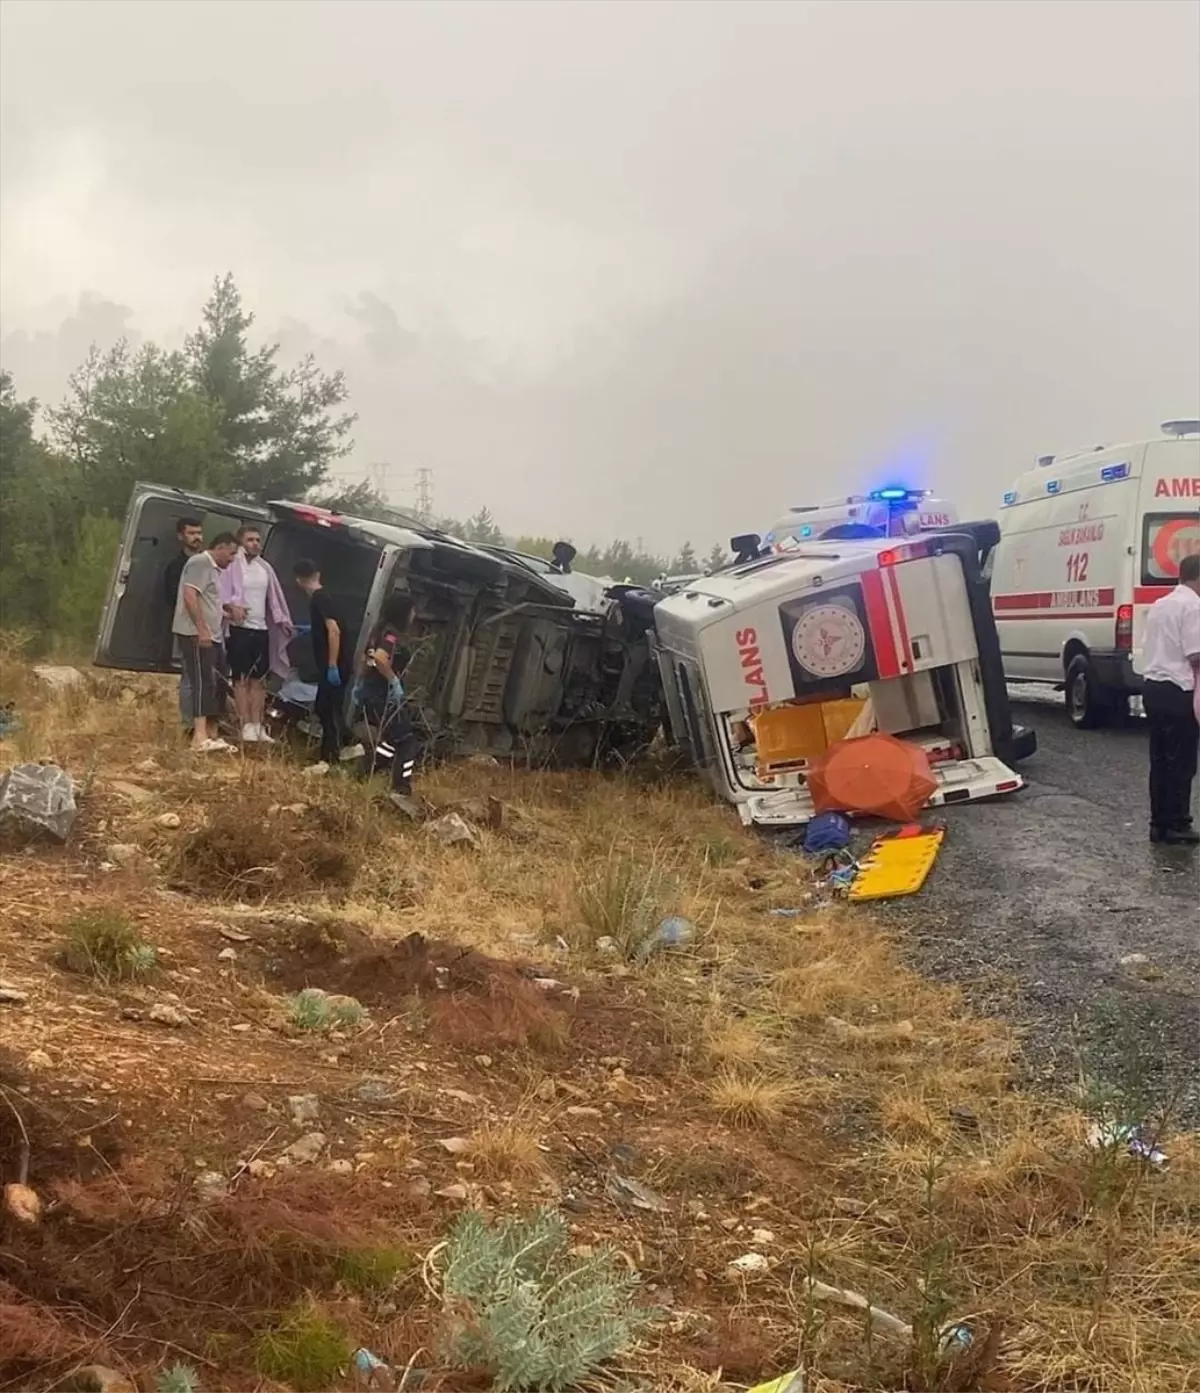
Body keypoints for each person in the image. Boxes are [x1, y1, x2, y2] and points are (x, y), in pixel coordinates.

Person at [1142, 552, 1200, 845]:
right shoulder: (1193, 606)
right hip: (1179, 690)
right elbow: (1195, 654)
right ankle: (1178, 823)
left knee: (1160, 759)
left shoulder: (1159, 605)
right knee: (1182, 762)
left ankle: (1158, 824)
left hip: (1153, 687)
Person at [220, 525, 295, 743]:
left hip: (261, 629)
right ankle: (245, 725)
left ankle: (258, 724)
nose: (255, 543)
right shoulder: (232, 567)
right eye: (250, 539)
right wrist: (231, 608)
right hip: (239, 628)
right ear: (241, 542)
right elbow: (221, 593)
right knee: (241, 679)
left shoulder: (265, 568)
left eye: (258, 540)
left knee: (259, 680)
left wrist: (283, 620)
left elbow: (274, 599)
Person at [173, 532, 239, 753]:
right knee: (202, 681)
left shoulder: (215, 570)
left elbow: (209, 600)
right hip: (195, 633)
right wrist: (201, 628)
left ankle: (212, 733)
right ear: (220, 547)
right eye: (231, 554)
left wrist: (228, 611)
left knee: (217, 682)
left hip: (215, 635)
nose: (232, 560)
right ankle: (198, 737)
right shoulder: (199, 562)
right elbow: (190, 595)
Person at [355, 593, 420, 811]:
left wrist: (361, 682)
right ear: (403, 612)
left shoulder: (378, 630)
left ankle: (366, 771)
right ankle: (401, 788)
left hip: (373, 693)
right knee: (408, 741)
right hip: (384, 696)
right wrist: (393, 681)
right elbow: (381, 658)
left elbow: (367, 660)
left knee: (393, 739)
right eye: (412, 610)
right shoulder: (391, 635)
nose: (414, 615)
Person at [293, 558, 351, 765]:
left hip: (334, 664)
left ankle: (331, 757)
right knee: (325, 706)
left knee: (328, 709)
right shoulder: (329, 596)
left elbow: (333, 631)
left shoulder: (319, 598)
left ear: (299, 580)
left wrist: (332, 665)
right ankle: (344, 747)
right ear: (318, 574)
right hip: (338, 662)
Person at [164, 516, 205, 732]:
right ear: (181, 536)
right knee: (189, 676)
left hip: (210, 630)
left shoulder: (208, 563)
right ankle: (188, 725)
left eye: (199, 533)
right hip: (187, 629)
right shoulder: (176, 567)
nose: (197, 537)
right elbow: (173, 598)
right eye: (191, 533)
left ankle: (206, 723)